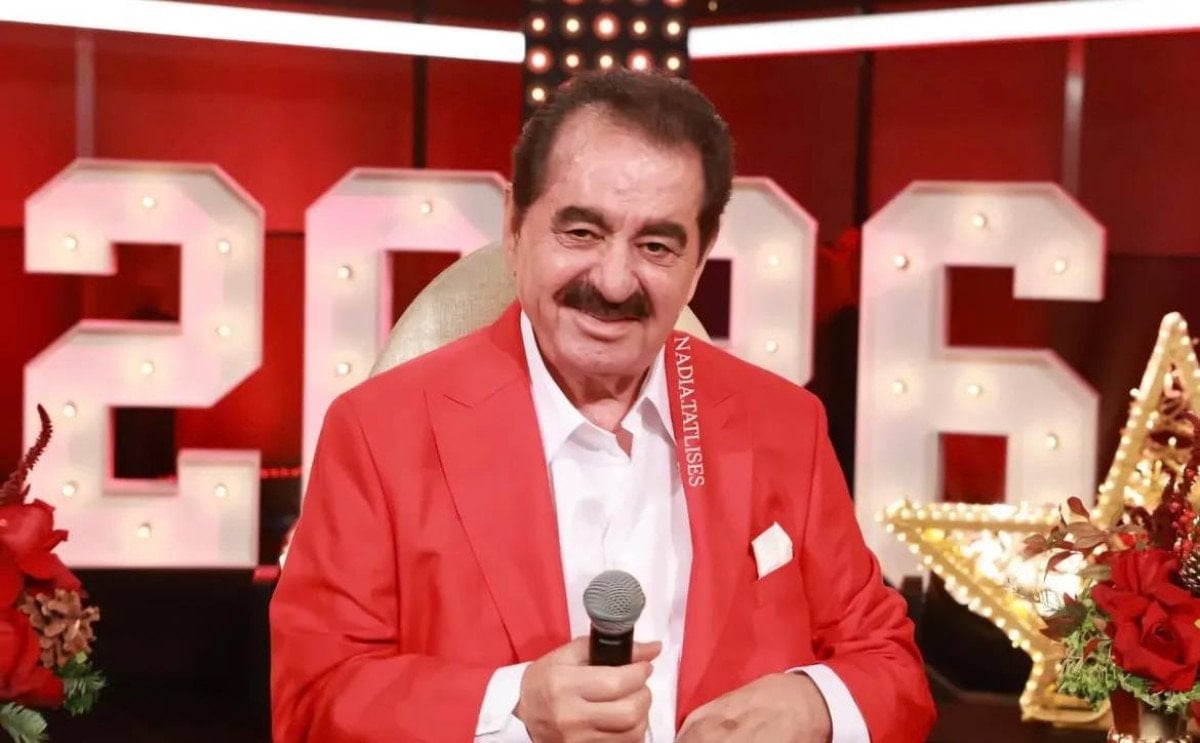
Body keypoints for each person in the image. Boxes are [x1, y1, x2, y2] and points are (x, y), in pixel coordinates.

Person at [270, 69, 935, 742]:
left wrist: (813, 705)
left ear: (699, 259)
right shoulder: (378, 431)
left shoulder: (786, 423)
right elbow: (314, 696)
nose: (615, 282)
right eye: (583, 232)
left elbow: (891, 665)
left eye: (656, 245)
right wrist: (513, 707)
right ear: (515, 228)